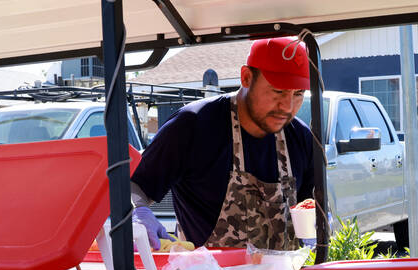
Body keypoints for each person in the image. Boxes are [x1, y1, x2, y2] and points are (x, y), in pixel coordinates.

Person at [131, 37, 316, 251]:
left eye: (298, 94)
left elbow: (309, 204)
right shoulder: (194, 125)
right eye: (278, 91)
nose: (288, 106)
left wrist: (318, 221)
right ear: (246, 77)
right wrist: (137, 211)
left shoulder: (301, 137)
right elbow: (134, 185)